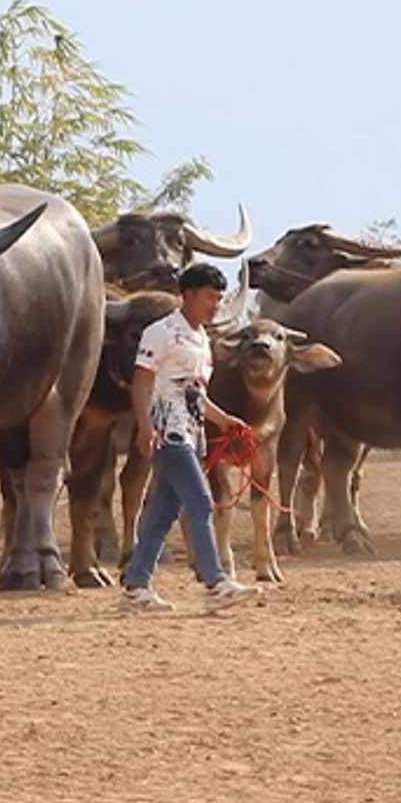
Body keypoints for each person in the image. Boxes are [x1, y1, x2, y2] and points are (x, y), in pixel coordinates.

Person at [120, 262, 260, 612]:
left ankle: (135, 585)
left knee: (163, 512)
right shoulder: (161, 331)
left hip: (191, 433)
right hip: (168, 432)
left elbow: (195, 393)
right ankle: (215, 581)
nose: (215, 304)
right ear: (188, 295)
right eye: (210, 297)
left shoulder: (201, 339)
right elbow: (142, 381)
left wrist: (225, 420)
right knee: (200, 502)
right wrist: (145, 426)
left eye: (219, 298)